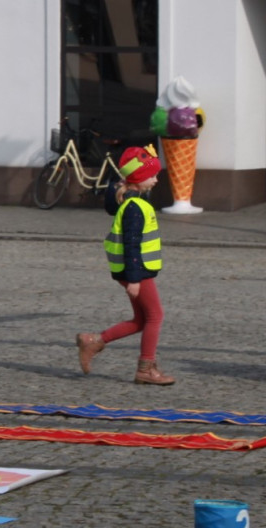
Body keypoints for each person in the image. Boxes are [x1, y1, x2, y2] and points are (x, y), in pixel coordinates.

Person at [75, 144, 174, 385]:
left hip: (133, 271)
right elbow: (131, 244)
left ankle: (94, 341)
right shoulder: (135, 208)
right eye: (152, 176)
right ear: (138, 179)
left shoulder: (128, 200)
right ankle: (145, 369)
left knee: (141, 319)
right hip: (137, 271)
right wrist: (134, 279)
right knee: (155, 316)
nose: (156, 181)